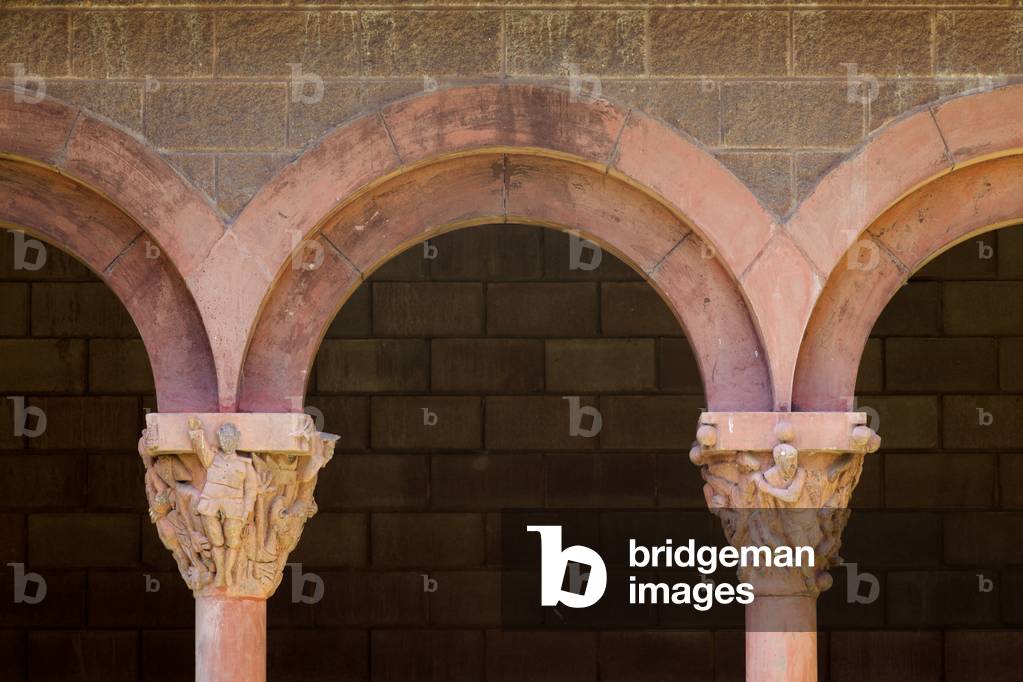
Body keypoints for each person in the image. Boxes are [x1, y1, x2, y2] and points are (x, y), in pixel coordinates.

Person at [189, 418, 260, 589]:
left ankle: (228, 572)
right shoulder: (212, 457)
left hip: (234, 507)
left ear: (238, 438)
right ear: (220, 438)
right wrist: (196, 431)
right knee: (216, 540)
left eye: (231, 438)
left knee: (233, 541)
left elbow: (251, 490)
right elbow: (201, 448)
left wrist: (247, 511)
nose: (228, 441)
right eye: (225, 438)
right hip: (210, 504)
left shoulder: (244, 465)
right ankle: (220, 572)